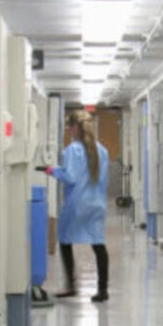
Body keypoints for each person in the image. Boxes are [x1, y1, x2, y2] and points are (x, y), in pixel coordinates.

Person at [45, 110, 110, 302]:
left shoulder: (73, 150)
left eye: (70, 128)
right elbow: (104, 180)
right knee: (98, 244)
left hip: (77, 203)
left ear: (74, 128)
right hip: (97, 203)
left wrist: (53, 171)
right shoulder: (102, 150)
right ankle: (103, 290)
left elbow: (71, 177)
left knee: (65, 241)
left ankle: (71, 286)